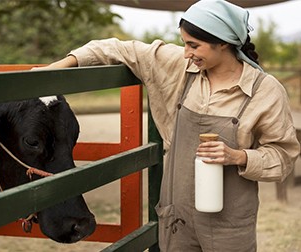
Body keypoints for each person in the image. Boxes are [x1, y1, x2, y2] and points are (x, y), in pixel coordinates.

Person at [32, 0, 300, 251]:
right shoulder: (178, 68)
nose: (186, 53)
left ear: (223, 43)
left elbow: (284, 156)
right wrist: (57, 68)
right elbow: (113, 48)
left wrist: (238, 156)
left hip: (230, 224)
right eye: (184, 44)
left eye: (194, 46)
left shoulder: (265, 91)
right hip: (177, 221)